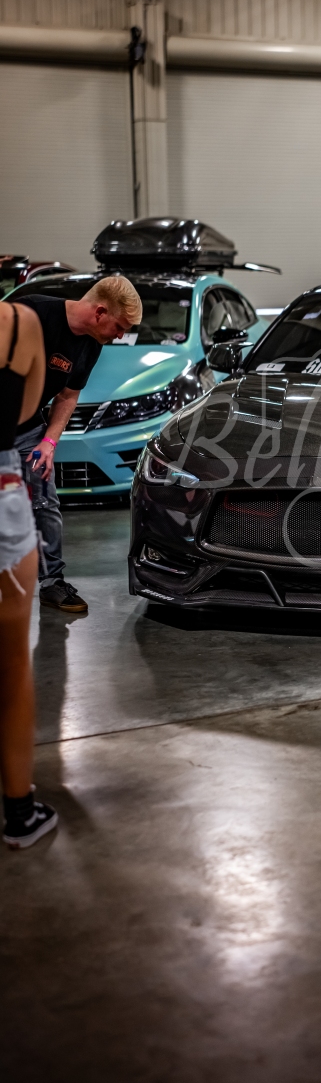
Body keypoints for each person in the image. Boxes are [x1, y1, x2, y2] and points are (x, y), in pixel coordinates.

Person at [14, 276, 142, 612]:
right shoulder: (29, 313)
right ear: (100, 312)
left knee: (44, 502)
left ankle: (51, 583)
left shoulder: (91, 344)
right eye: (119, 327)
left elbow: (68, 396)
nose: (120, 336)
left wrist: (49, 441)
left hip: (27, 427)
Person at [0, 299, 59, 848]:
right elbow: (24, 414)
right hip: (2, 496)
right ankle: (19, 813)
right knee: (14, 664)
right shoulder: (20, 324)